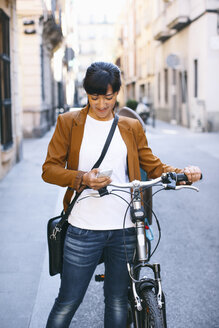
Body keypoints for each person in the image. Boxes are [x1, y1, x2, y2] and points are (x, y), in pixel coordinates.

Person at [42, 62, 201, 328]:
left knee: (116, 299)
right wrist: (83, 178)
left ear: (118, 93)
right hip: (83, 228)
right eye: (95, 97)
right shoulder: (69, 123)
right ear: (86, 94)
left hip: (125, 229)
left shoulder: (130, 126)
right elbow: (49, 170)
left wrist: (183, 173)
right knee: (68, 300)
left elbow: (153, 166)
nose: (102, 104)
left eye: (109, 96)